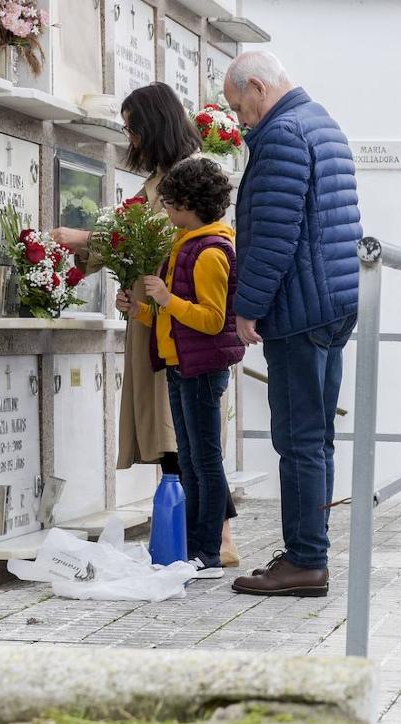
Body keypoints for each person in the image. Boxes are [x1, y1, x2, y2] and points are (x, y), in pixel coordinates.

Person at [51, 82, 241, 567]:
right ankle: (198, 536)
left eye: (134, 128)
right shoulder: (163, 177)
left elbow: (152, 238)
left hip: (178, 330)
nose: (130, 138)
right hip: (154, 317)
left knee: (187, 441)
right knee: (184, 438)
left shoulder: (183, 179)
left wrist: (84, 239)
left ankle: (213, 540)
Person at [223, 52, 362, 598]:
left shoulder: (282, 134)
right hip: (331, 305)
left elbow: (276, 234)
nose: (240, 121)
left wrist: (248, 308)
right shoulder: (321, 122)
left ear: (258, 86)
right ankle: (309, 549)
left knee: (298, 439)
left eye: (240, 108)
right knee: (317, 438)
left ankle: (306, 561)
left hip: (300, 311)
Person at [117, 157, 244, 577]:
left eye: (170, 206)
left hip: (201, 369)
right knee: (189, 459)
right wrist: (140, 310)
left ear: (189, 204)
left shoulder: (210, 253)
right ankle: (192, 545)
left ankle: (208, 552)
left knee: (205, 461)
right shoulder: (187, 244)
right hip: (180, 365)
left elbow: (211, 319)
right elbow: (172, 320)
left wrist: (168, 299)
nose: (166, 213)